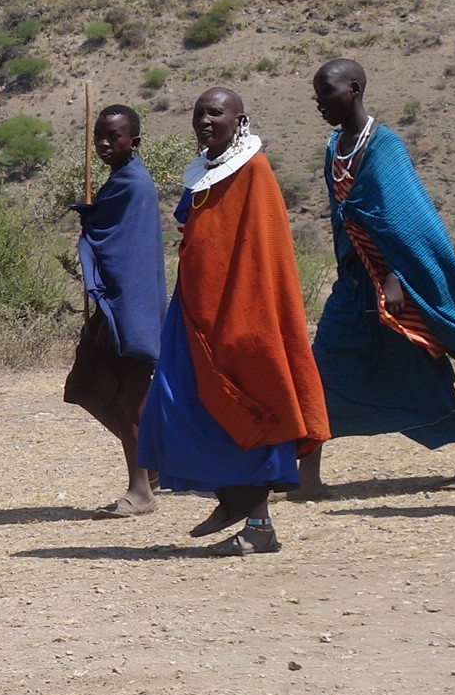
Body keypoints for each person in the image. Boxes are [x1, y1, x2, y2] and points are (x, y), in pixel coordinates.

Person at [303, 59, 455, 492]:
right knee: (321, 367)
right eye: (316, 95)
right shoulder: (335, 145)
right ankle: (306, 474)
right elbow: (346, 218)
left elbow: (405, 222)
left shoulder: (384, 146)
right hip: (353, 285)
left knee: (417, 372)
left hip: (389, 289)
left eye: (327, 92)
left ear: (355, 88)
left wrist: (393, 277)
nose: (320, 102)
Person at [135, 89, 330, 555]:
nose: (204, 120)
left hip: (241, 315)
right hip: (194, 312)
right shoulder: (203, 171)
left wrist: (248, 321)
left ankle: (259, 525)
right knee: (179, 405)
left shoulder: (254, 171)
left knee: (250, 405)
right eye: (198, 112)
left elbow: (263, 256)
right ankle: (231, 499)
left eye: (214, 113)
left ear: (240, 119)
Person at [64, 106, 167, 516]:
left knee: (128, 400)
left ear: (134, 141)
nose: (105, 144)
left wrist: (91, 220)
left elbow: (119, 245)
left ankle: (141, 490)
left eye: (114, 137)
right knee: (87, 387)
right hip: (114, 307)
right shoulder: (119, 181)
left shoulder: (135, 184)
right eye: (99, 138)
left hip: (129, 308)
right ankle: (152, 464)